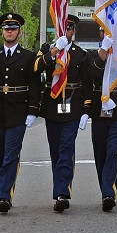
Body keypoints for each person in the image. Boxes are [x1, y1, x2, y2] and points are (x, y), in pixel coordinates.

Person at [0, 12, 43, 213]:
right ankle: (2, 188)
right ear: (2, 32)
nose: (9, 32)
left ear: (19, 32)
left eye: (13, 28)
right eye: (6, 29)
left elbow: (35, 86)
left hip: (18, 110)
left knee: (11, 154)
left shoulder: (28, 56)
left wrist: (33, 110)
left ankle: (4, 195)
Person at [35, 14, 91, 212]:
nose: (66, 32)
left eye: (70, 29)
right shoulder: (48, 51)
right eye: (63, 28)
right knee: (55, 149)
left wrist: (86, 109)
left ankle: (62, 193)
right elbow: (37, 69)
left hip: (73, 105)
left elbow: (86, 84)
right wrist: (55, 49)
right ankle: (59, 187)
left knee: (67, 148)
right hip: (52, 105)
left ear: (74, 31)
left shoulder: (80, 54)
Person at [86, 34, 117, 212]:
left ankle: (108, 193)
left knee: (113, 150)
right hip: (99, 110)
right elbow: (92, 74)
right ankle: (106, 188)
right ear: (101, 34)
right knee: (101, 153)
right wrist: (103, 53)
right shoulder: (92, 55)